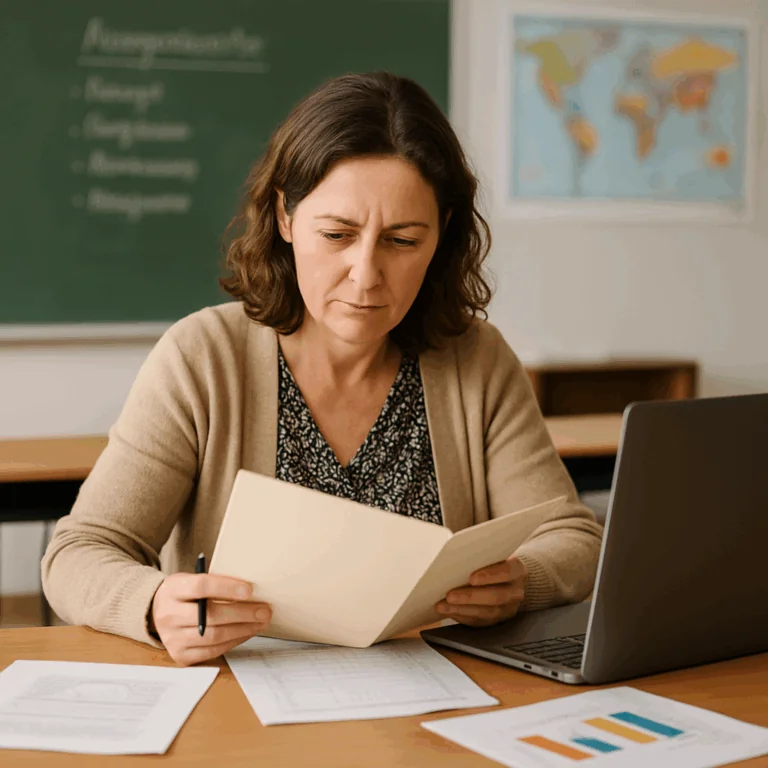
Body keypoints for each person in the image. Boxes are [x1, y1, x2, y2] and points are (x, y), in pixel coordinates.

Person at [42, 72, 602, 667]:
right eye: (337, 234)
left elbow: (572, 536)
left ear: (442, 235)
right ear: (285, 217)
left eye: (403, 241)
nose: (365, 274)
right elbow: (78, 553)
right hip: (244, 707)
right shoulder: (203, 358)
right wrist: (153, 602)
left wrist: (523, 579)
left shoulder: (476, 359)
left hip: (430, 709)